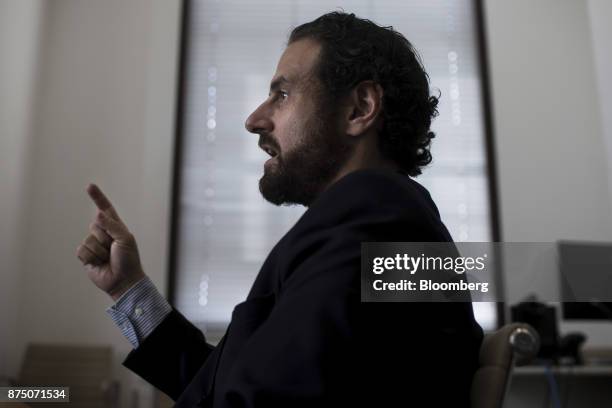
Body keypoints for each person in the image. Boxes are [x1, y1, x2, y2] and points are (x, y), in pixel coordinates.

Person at [76, 12, 483, 408]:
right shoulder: (386, 220)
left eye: (282, 95)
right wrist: (128, 288)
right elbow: (227, 384)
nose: (254, 120)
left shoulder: (373, 221)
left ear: (359, 109)